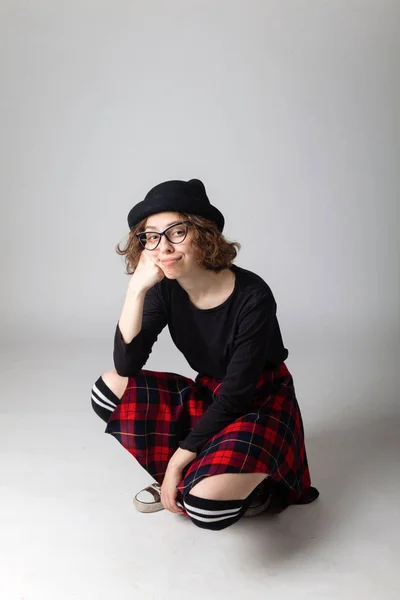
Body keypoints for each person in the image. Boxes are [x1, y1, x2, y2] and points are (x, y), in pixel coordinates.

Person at [91, 178, 319, 531]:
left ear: (204, 234)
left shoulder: (253, 296)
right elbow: (127, 365)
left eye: (176, 232)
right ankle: (194, 471)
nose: (162, 246)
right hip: (210, 395)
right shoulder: (164, 289)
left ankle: (247, 486)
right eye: (151, 236)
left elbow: (237, 395)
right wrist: (135, 290)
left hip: (261, 402)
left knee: (205, 509)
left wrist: (176, 462)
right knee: (108, 388)